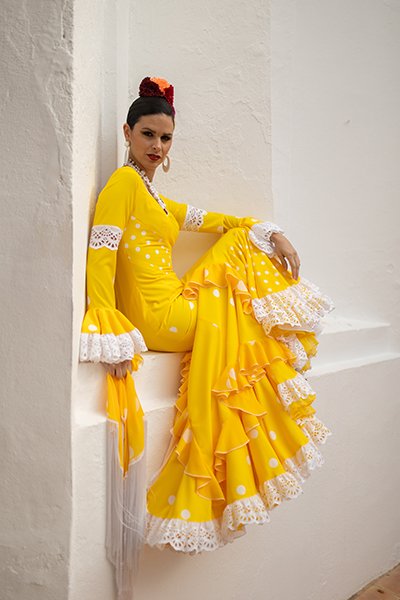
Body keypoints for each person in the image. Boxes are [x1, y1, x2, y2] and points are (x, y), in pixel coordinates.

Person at [80, 76, 334, 594]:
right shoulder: (123, 185)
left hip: (174, 309)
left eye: (166, 138)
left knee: (239, 241)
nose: (157, 146)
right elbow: (101, 253)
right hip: (160, 317)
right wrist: (105, 321)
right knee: (240, 257)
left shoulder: (153, 195)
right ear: (127, 133)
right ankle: (281, 353)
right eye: (148, 134)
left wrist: (270, 230)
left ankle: (276, 354)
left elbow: (212, 219)